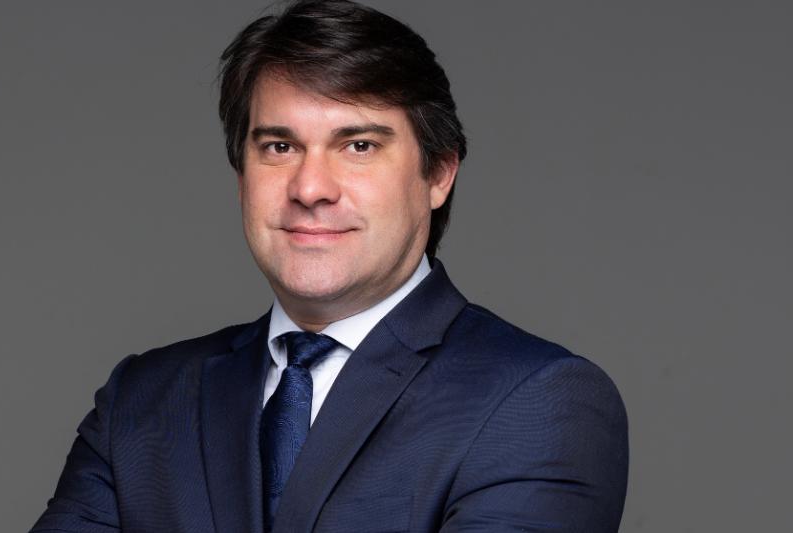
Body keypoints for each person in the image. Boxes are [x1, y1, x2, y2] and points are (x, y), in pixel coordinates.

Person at [31, 1, 629, 531]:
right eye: (279, 147)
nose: (310, 187)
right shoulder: (144, 400)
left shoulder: (537, 401)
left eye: (359, 146)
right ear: (241, 177)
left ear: (439, 174)